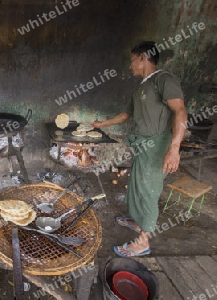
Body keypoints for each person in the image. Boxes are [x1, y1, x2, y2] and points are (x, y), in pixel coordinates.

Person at [92, 41, 187, 257]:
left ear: (143, 58)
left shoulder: (164, 80)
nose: (130, 66)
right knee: (136, 183)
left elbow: (180, 111)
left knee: (148, 190)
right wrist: (101, 125)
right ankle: (137, 220)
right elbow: (125, 115)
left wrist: (174, 149)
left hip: (158, 145)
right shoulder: (142, 87)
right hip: (143, 144)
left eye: (132, 61)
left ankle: (143, 242)